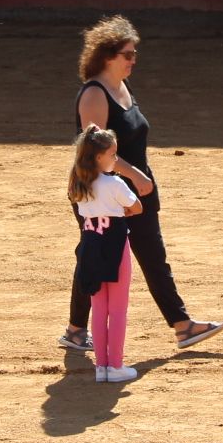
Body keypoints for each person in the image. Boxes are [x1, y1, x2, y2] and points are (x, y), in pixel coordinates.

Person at [64, 16, 223, 355]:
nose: (133, 60)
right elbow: (95, 151)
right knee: (95, 256)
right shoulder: (94, 94)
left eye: (134, 53)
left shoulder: (121, 88)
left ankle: (182, 326)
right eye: (127, 54)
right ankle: (76, 329)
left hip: (134, 187)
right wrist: (134, 175)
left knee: (152, 255)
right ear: (107, 55)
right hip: (100, 190)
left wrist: (140, 178)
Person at [70, 125, 142, 383]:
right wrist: (122, 212)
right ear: (99, 157)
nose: (115, 159)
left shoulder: (80, 183)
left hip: (91, 243)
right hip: (113, 243)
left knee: (99, 308)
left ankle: (101, 367)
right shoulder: (114, 183)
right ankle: (116, 366)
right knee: (118, 308)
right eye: (112, 155)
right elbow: (137, 206)